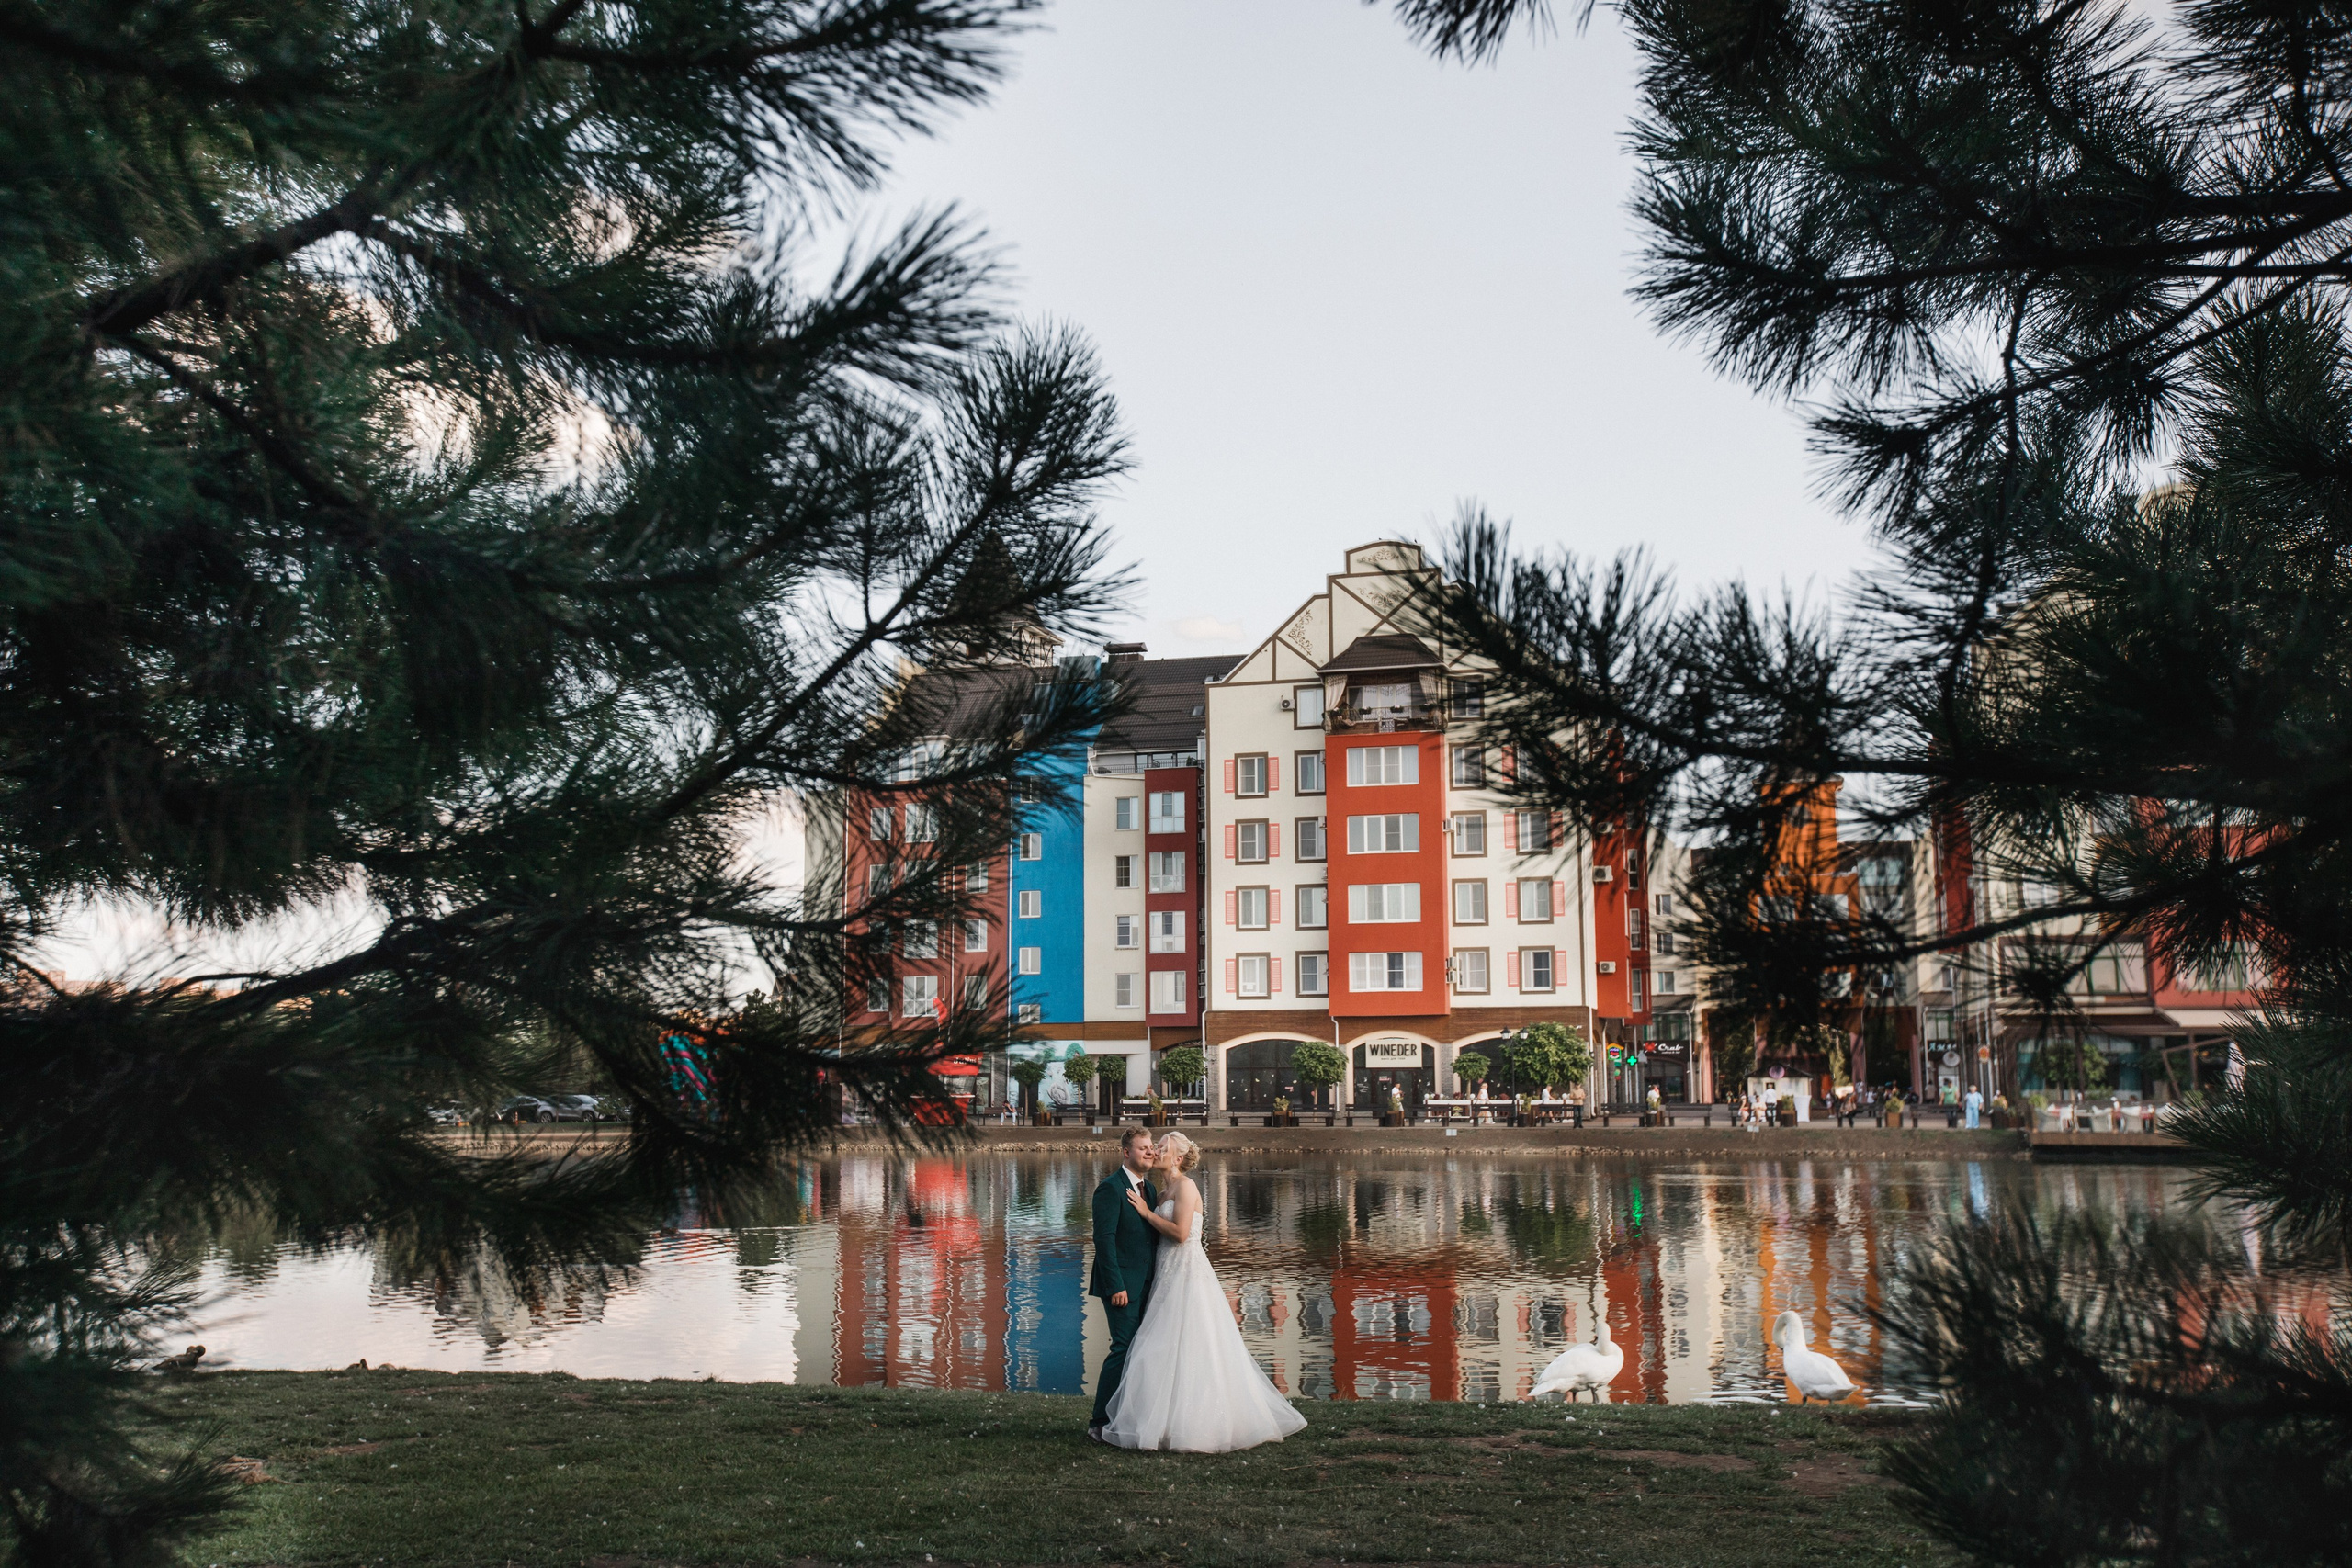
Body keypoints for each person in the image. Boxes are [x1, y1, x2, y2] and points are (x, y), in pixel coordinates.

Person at [1102, 1133, 1307, 1453]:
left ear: (1178, 1158)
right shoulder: (1159, 1192)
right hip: (1164, 1275)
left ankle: (1197, 1424)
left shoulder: (1185, 1187)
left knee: (1193, 1345)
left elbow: (1181, 1234)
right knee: (1158, 1347)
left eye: (1161, 1148)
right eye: (1153, 1147)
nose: (1155, 1151)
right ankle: (1157, 1420)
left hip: (1187, 1273)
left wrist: (1145, 1213)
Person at [1087, 1129, 1159, 1444]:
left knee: (1140, 1350)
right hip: (1120, 1286)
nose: (1150, 1153)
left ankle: (1127, 1415)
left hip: (1147, 1284)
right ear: (1126, 1152)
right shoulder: (1110, 1188)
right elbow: (1104, 1241)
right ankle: (1099, 1422)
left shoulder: (1152, 1190)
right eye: (1143, 1148)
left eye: (1152, 1148)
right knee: (1122, 1348)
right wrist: (1116, 1285)